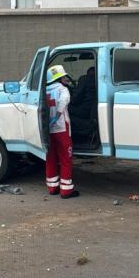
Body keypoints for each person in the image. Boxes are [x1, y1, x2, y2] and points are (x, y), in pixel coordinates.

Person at [45, 65, 79, 199]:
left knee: (50, 158)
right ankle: (66, 190)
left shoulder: (44, 90)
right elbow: (64, 101)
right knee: (65, 158)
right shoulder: (63, 89)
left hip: (47, 129)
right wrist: (58, 115)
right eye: (63, 76)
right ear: (58, 78)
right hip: (61, 128)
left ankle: (52, 187)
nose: (65, 78)